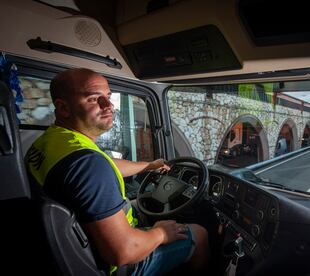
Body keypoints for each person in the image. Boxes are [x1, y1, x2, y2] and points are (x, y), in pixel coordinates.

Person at [25, 68, 209, 275]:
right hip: (117, 266)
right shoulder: (88, 165)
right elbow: (123, 251)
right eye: (94, 99)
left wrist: (148, 165)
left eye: (108, 97)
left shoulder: (51, 143)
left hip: (74, 244)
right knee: (199, 234)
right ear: (63, 108)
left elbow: (104, 165)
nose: (108, 105)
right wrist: (160, 233)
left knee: (140, 205)